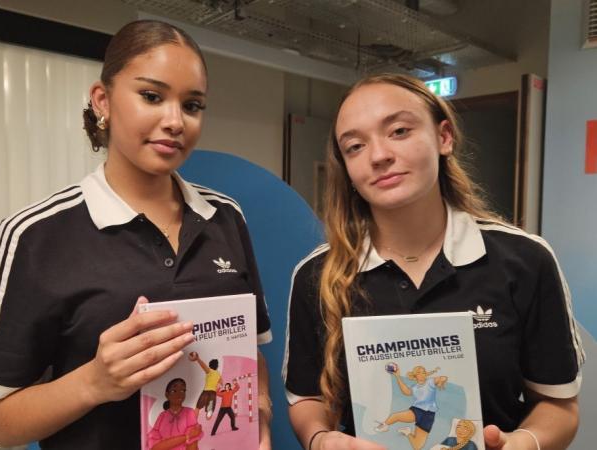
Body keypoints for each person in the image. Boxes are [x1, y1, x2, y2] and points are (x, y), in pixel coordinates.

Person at [0, 20, 273, 450]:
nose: (175, 121)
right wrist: (94, 382)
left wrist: (258, 417)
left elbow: (248, 354)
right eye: (152, 96)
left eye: (192, 105)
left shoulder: (225, 217)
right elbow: (0, 424)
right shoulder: (36, 234)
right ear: (102, 100)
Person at [283, 73, 584, 450]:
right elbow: (308, 399)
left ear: (444, 137)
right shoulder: (317, 274)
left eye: (399, 131)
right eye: (355, 146)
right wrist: (321, 440)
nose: (379, 156)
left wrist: (525, 442)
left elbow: (558, 403)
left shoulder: (525, 260)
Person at [374, 365, 447, 450]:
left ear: (426, 374)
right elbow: (406, 391)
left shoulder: (430, 382)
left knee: (417, 446)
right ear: (415, 375)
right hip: (417, 410)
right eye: (419, 372)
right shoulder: (414, 387)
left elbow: (443, 378)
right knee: (395, 416)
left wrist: (441, 381)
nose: (422, 374)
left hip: (429, 415)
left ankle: (407, 432)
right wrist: (397, 376)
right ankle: (384, 426)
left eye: (424, 372)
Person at [147, 378, 202, 450]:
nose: (179, 394)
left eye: (183, 390)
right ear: (167, 395)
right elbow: (155, 447)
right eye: (174, 391)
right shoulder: (162, 416)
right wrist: (186, 437)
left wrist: (167, 443)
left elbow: (193, 444)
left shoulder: (189, 413)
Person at [188, 352, 222, 420]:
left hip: (206, 392)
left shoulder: (209, 371)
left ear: (210, 365)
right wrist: (217, 388)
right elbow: (221, 384)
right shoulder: (218, 374)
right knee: (209, 413)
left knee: (197, 408)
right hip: (213, 393)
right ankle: (209, 413)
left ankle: (194, 422)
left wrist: (198, 359)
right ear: (217, 366)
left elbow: (203, 365)